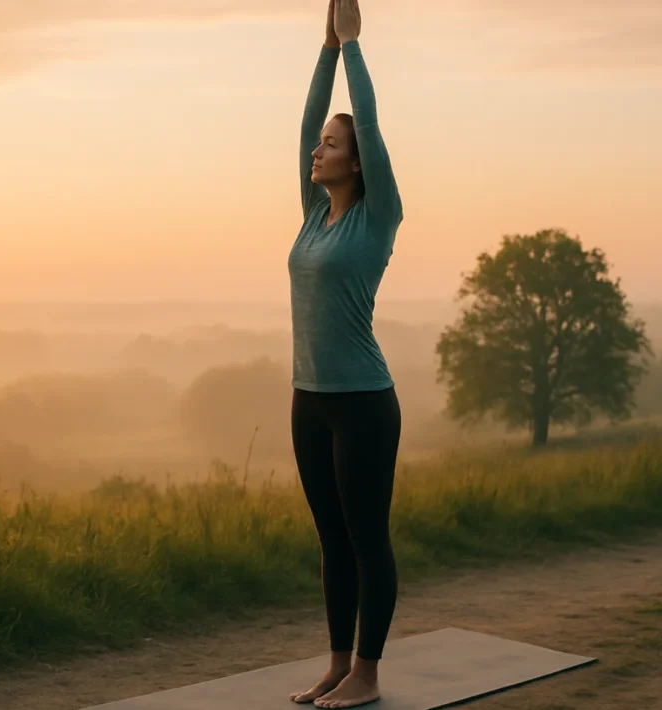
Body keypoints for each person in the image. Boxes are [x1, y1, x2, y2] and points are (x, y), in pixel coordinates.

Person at [286, 0, 404, 707]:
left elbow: (373, 128)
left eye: (330, 146)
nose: (316, 151)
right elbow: (304, 125)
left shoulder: (377, 213)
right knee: (331, 542)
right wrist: (324, 48)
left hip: (363, 403)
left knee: (367, 539)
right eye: (320, 144)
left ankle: (367, 674)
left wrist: (354, 49)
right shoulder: (312, 218)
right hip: (308, 398)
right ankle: (337, 663)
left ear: (357, 163)